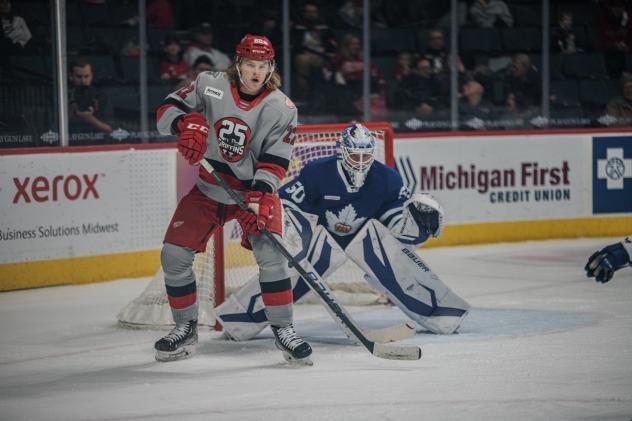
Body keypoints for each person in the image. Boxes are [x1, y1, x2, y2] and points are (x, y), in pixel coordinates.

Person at [215, 123, 470, 342]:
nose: (360, 162)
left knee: (396, 263)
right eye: (354, 155)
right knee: (292, 272)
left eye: (365, 155)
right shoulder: (318, 173)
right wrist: (283, 230)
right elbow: (288, 205)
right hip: (321, 241)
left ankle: (444, 314)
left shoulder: (387, 179)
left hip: (363, 240)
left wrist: (418, 226)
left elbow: (395, 226)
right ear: (342, 152)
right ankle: (238, 320)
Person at [154, 34, 312, 365]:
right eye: (250, 64)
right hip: (209, 189)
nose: (256, 72)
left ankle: (284, 330)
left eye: (263, 66)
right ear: (237, 64)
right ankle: (185, 328)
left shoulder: (282, 108)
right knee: (173, 255)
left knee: (272, 257)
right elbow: (165, 111)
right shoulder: (209, 85)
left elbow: (276, 161)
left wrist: (257, 200)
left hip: (253, 192)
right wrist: (185, 123)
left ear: (272, 68)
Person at [291, 2, 337, 100]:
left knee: (323, 63)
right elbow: (294, 43)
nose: (311, 14)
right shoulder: (298, 27)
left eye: (314, 12)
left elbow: (332, 43)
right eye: (308, 12)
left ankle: (320, 96)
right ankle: (303, 95)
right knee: (302, 60)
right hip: (304, 55)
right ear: (304, 13)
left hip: (321, 55)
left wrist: (329, 51)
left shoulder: (324, 26)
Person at [68, 58, 113, 136]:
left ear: (91, 76)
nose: (83, 81)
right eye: (79, 77)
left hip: (96, 141)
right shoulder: (63, 95)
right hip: (68, 140)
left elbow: (109, 130)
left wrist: (89, 118)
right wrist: (68, 112)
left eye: (86, 76)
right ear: (70, 76)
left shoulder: (100, 95)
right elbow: (53, 129)